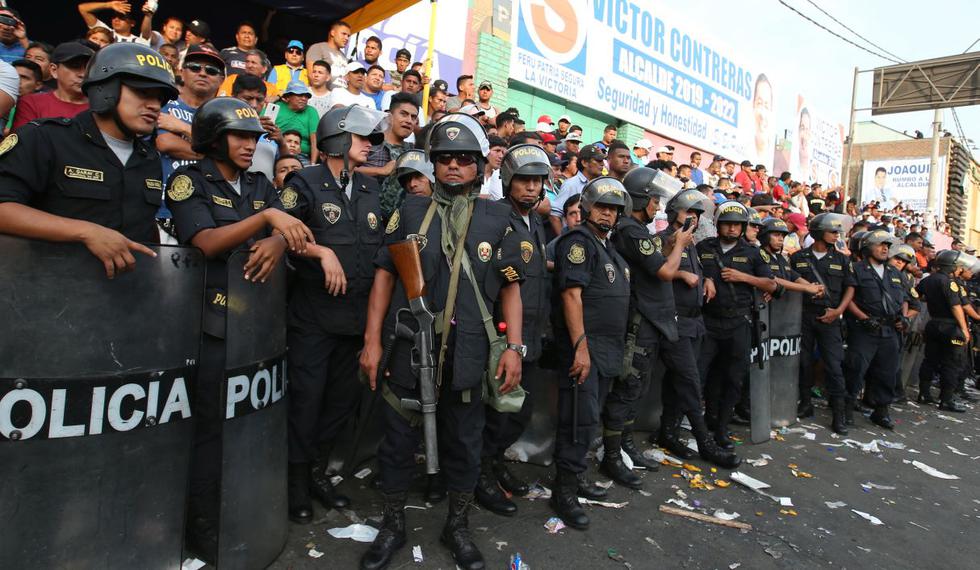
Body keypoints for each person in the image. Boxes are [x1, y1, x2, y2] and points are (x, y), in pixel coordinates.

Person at [359, 114, 525, 570]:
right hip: (410, 344)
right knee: (395, 438)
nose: (453, 166)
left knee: (465, 441)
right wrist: (372, 341)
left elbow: (511, 287)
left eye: (464, 160)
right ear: (433, 164)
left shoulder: (498, 216)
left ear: (479, 167)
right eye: (445, 158)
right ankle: (392, 525)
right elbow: (383, 276)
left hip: (470, 349)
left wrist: (515, 348)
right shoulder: (410, 210)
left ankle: (457, 526)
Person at [165, 97, 313, 561]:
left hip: (259, 325)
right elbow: (207, 242)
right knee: (210, 432)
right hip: (208, 323)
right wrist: (268, 220)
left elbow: (292, 230)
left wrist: (273, 237)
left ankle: (244, 512)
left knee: (251, 426)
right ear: (213, 137)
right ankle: (203, 529)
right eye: (240, 136)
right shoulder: (190, 179)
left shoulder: (258, 183)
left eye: (254, 137)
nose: (250, 145)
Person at [276, 104, 387, 523]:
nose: (369, 146)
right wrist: (320, 251)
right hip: (314, 319)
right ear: (338, 140)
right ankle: (297, 484)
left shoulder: (371, 189)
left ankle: (320, 473)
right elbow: (280, 231)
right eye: (361, 138)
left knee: (341, 403)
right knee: (306, 403)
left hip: (355, 321)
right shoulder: (304, 181)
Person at [0, 42, 177, 278]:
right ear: (105, 89)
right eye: (142, 92)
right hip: (49, 297)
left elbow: (145, 230)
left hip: (129, 302)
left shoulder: (149, 157)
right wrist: (84, 231)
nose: (155, 105)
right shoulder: (43, 138)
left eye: (160, 98)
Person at [549, 176, 630, 530]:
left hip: (606, 350)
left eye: (613, 209)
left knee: (588, 418)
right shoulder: (578, 241)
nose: (608, 214)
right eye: (602, 207)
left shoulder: (606, 246)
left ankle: (577, 477)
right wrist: (581, 348)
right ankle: (563, 491)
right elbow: (571, 295)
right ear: (586, 208)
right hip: (586, 349)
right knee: (577, 421)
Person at [476, 143, 552, 517]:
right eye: (524, 180)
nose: (532, 188)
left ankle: (494, 465)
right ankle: (481, 474)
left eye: (538, 181)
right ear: (508, 181)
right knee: (497, 411)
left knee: (519, 411)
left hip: (533, 333)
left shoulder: (536, 222)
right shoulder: (495, 216)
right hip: (504, 336)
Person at [652, 189, 741, 468]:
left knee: (679, 382)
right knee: (690, 382)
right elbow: (656, 269)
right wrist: (680, 273)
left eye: (698, 214)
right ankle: (705, 441)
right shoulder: (664, 239)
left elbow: (697, 271)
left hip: (694, 321)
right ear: (673, 212)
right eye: (688, 212)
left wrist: (705, 280)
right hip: (673, 320)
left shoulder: (691, 243)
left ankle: (668, 432)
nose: (694, 217)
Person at [697, 201, 776, 448]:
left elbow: (771, 284)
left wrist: (744, 277)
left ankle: (722, 428)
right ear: (719, 224)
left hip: (738, 322)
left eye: (737, 225)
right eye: (728, 224)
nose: (732, 229)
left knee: (733, 378)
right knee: (702, 375)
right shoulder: (703, 247)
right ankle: (706, 422)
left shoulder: (753, 252)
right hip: (708, 322)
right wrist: (706, 278)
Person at [790, 214, 853, 433]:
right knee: (804, 362)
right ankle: (805, 403)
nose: (837, 236)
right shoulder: (798, 257)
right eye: (833, 231)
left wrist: (838, 311)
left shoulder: (842, 259)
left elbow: (850, 288)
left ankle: (839, 413)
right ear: (818, 232)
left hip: (831, 317)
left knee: (834, 366)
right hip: (804, 316)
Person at [843, 229, 909, 430]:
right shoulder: (856, 268)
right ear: (866, 247)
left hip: (889, 330)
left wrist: (903, 318)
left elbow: (903, 299)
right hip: (865, 328)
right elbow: (849, 299)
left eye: (887, 246)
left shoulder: (894, 273)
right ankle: (845, 409)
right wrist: (864, 318)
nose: (884, 249)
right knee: (856, 369)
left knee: (888, 371)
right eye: (880, 245)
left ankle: (881, 411)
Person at [156, 44, 223, 236]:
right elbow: (166, 143)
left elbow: (224, 156)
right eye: (195, 67)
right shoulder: (165, 102)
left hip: (208, 213)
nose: (202, 73)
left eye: (211, 70)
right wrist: (211, 153)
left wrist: (182, 127)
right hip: (163, 209)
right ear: (182, 72)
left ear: (221, 79)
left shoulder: (223, 114)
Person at [916, 250, 974, 412]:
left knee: (930, 359)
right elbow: (955, 306)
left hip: (933, 323)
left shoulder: (929, 280)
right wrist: (964, 329)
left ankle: (924, 393)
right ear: (951, 266)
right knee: (952, 363)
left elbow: (917, 297)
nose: (960, 269)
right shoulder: (950, 282)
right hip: (950, 327)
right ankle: (946, 399)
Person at [12, 41, 93, 130]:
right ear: (54, 70)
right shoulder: (31, 103)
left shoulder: (102, 107)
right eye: (75, 66)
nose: (83, 74)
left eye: (88, 68)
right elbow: (23, 141)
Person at [360, 91, 417, 207]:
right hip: (367, 212)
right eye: (404, 114)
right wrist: (380, 171)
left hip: (398, 220)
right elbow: (344, 170)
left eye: (413, 117)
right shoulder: (369, 142)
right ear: (389, 116)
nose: (409, 120)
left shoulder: (412, 152)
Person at [232, 74, 283, 182]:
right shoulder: (224, 126)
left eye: (259, 100)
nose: (254, 105)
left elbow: (288, 165)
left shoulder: (269, 129)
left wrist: (282, 143)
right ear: (233, 97)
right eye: (248, 98)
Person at [549, 144, 605, 236]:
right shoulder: (571, 184)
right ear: (584, 163)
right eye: (598, 160)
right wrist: (564, 241)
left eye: (602, 160)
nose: (602, 164)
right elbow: (554, 215)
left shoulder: (599, 185)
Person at [275, 81, 320, 164]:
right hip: (275, 152)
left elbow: (315, 139)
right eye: (299, 95)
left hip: (301, 156)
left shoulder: (311, 111)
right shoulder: (277, 106)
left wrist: (313, 164)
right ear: (288, 97)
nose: (304, 98)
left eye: (306, 96)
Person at [307, 20, 351, 89]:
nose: (346, 38)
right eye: (344, 34)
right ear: (332, 33)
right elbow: (312, 76)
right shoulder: (318, 48)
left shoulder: (344, 56)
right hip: (325, 97)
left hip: (342, 96)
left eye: (348, 36)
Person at [78, 2, 148, 45]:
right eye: (114, 17)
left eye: (121, 17)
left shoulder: (139, 42)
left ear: (132, 23)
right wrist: (108, 5)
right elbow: (83, 9)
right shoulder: (104, 32)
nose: (116, 19)